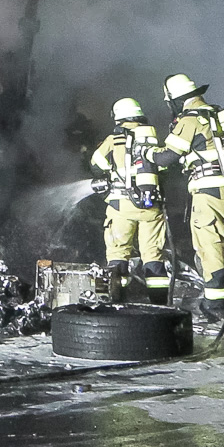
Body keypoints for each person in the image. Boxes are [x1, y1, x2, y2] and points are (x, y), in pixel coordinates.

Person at [153, 73, 224, 320]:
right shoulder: (216, 114)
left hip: (208, 193)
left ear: (176, 100)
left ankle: (215, 305)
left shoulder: (190, 120)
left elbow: (167, 156)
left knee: (210, 246)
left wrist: (147, 153)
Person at [89, 97, 170, 304]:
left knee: (118, 252)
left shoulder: (113, 139)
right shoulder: (151, 137)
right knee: (153, 255)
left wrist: (111, 171)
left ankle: (117, 302)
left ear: (118, 117)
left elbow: (95, 163)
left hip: (121, 206)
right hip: (151, 206)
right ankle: (159, 304)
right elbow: (163, 167)